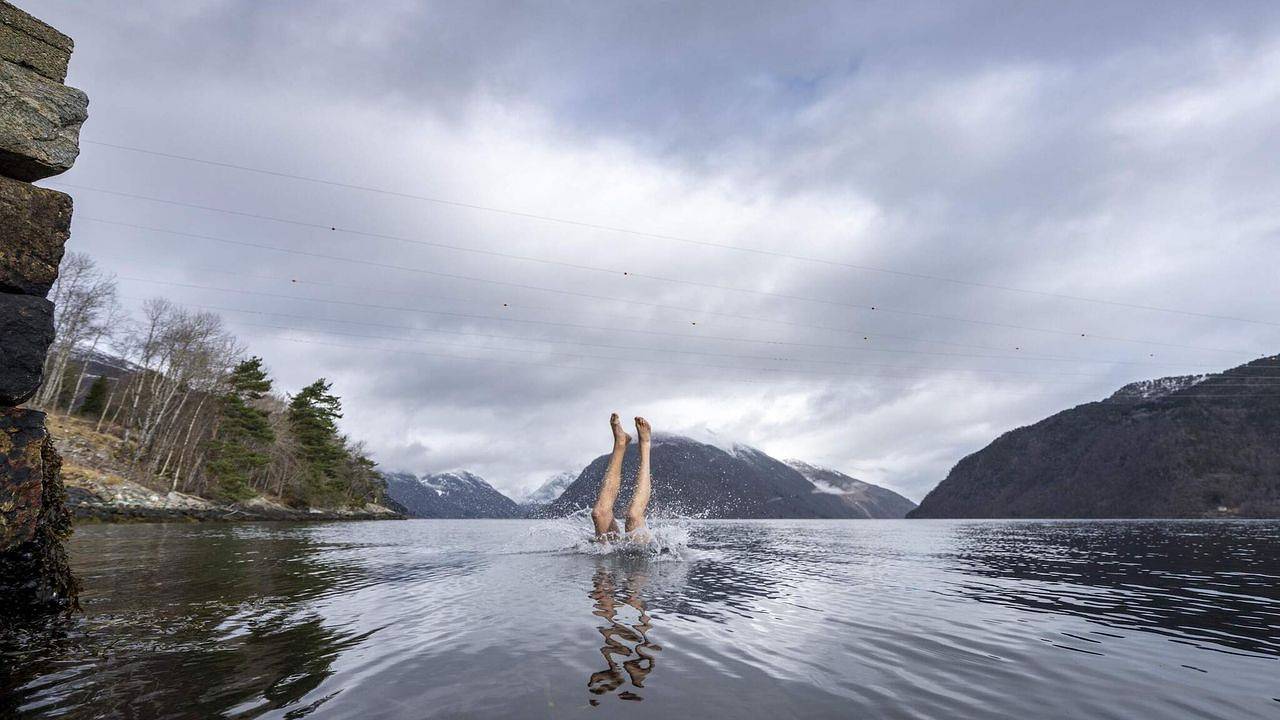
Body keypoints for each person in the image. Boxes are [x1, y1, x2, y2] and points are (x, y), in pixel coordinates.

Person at [591, 414, 651, 542]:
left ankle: (645, 443)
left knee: (633, 516)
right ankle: (620, 442)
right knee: (598, 514)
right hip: (614, 557)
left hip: (640, 554)